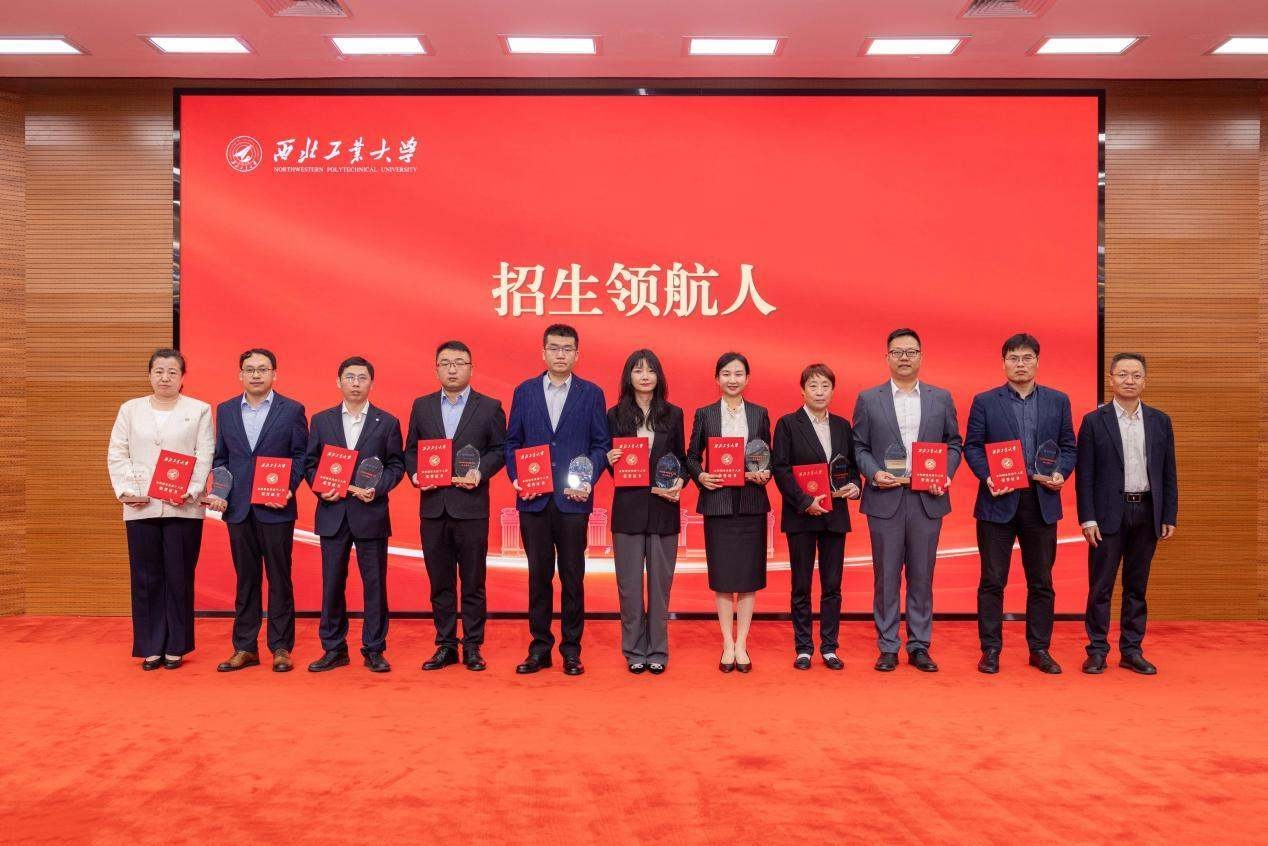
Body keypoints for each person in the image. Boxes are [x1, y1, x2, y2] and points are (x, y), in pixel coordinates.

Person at [964, 333, 1077, 675]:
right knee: (992, 580)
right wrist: (988, 476)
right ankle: (990, 649)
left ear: (1037, 362)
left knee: (1041, 581)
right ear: (1004, 364)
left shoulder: (1058, 401)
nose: (1021, 364)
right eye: (1014, 358)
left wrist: (1060, 472)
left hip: (1041, 501)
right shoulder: (985, 401)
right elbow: (973, 446)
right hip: (997, 501)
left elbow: (1068, 446)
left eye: (1027, 358)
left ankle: (1039, 649)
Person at [852, 328, 962, 673]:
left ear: (921, 357)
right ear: (886, 357)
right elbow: (859, 446)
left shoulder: (940, 398)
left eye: (911, 352)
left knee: (922, 576)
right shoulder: (869, 399)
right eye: (897, 352)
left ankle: (919, 645)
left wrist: (945, 475)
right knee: (886, 577)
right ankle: (888, 646)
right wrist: (873, 473)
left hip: (927, 499)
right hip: (885, 497)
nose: (904, 357)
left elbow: (954, 443)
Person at [504, 324, 610, 676]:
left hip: (572, 501)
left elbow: (601, 445)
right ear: (543, 352)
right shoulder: (524, 392)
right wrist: (519, 479)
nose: (560, 354)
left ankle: (571, 649)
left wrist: (587, 478)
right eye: (554, 348)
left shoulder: (591, 394)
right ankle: (539, 648)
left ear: (577, 354)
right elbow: (512, 443)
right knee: (538, 576)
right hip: (534, 501)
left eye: (567, 349)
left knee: (572, 577)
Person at [106, 349, 214, 670]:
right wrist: (128, 490)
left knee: (179, 575)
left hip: (183, 507)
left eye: (172, 372)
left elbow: (204, 454)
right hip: (141, 505)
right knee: (145, 577)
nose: (165, 378)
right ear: (149, 375)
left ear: (182, 377)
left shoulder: (199, 410)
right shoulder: (130, 409)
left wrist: (190, 490)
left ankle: (176, 645)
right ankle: (151, 645)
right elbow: (118, 452)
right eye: (159, 371)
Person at [405, 340, 506, 672]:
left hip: (471, 507)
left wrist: (481, 471)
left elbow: (500, 450)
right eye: (445, 363)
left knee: (474, 581)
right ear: (436, 369)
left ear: (471, 368)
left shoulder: (489, 407)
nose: (452, 369)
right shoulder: (422, 406)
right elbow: (411, 451)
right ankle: (446, 644)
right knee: (440, 581)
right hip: (434, 507)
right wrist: (416, 474)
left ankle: (473, 645)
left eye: (459, 363)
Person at [206, 348, 308, 673]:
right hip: (238, 509)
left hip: (276, 508)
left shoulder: (292, 410)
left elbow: (301, 455)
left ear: (274, 374)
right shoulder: (225, 410)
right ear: (240, 375)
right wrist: (220, 490)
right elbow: (221, 458)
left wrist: (287, 487)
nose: (256, 375)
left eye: (263, 369)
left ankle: (281, 647)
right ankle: (245, 647)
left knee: (279, 578)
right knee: (246, 579)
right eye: (250, 369)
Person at [1076, 352, 1178, 675]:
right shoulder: (1094, 421)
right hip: (1107, 514)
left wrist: (1168, 514)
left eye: (1136, 375)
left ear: (1145, 381)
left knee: (1137, 586)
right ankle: (1097, 650)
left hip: (1147, 511)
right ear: (1111, 380)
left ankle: (1131, 650)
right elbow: (1084, 475)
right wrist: (1087, 518)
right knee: (1101, 587)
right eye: (1122, 374)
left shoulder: (1160, 421)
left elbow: (1168, 472)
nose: (1129, 380)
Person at [303, 356, 406, 674]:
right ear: (339, 382)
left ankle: (374, 648)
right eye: (350, 377)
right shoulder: (322, 420)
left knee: (374, 584)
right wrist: (321, 489)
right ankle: (334, 648)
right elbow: (310, 463)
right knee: (332, 582)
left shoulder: (386, 422)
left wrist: (378, 487)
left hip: (370, 513)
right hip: (333, 511)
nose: (356, 383)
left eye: (362, 378)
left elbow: (396, 465)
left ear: (371, 383)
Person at [686, 352, 772, 674]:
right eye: (726, 373)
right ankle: (727, 643)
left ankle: (742, 643)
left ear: (747, 379)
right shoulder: (705, 414)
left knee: (748, 578)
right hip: (718, 504)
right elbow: (691, 456)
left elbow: (768, 456)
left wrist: (765, 473)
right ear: (717, 379)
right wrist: (701, 475)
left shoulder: (760, 413)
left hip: (751, 503)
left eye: (738, 374)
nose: (732, 379)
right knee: (723, 578)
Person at [771, 363, 861, 671]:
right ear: (802, 390)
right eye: (813, 386)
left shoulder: (842, 426)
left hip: (835, 514)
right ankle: (804, 648)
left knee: (832, 585)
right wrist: (805, 501)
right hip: (801, 516)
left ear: (833, 391)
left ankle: (830, 647)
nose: (819, 392)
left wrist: (855, 486)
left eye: (825, 386)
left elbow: (852, 467)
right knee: (801, 584)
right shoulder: (787, 424)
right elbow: (781, 469)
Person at [605, 349, 687, 675]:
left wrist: (680, 480)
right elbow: (610, 461)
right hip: (628, 510)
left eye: (650, 370)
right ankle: (634, 650)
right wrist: (609, 459)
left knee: (660, 588)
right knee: (629, 588)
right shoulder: (614, 415)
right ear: (629, 377)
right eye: (638, 370)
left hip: (664, 510)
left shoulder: (674, 414)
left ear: (658, 376)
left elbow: (682, 460)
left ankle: (658, 651)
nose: (644, 376)